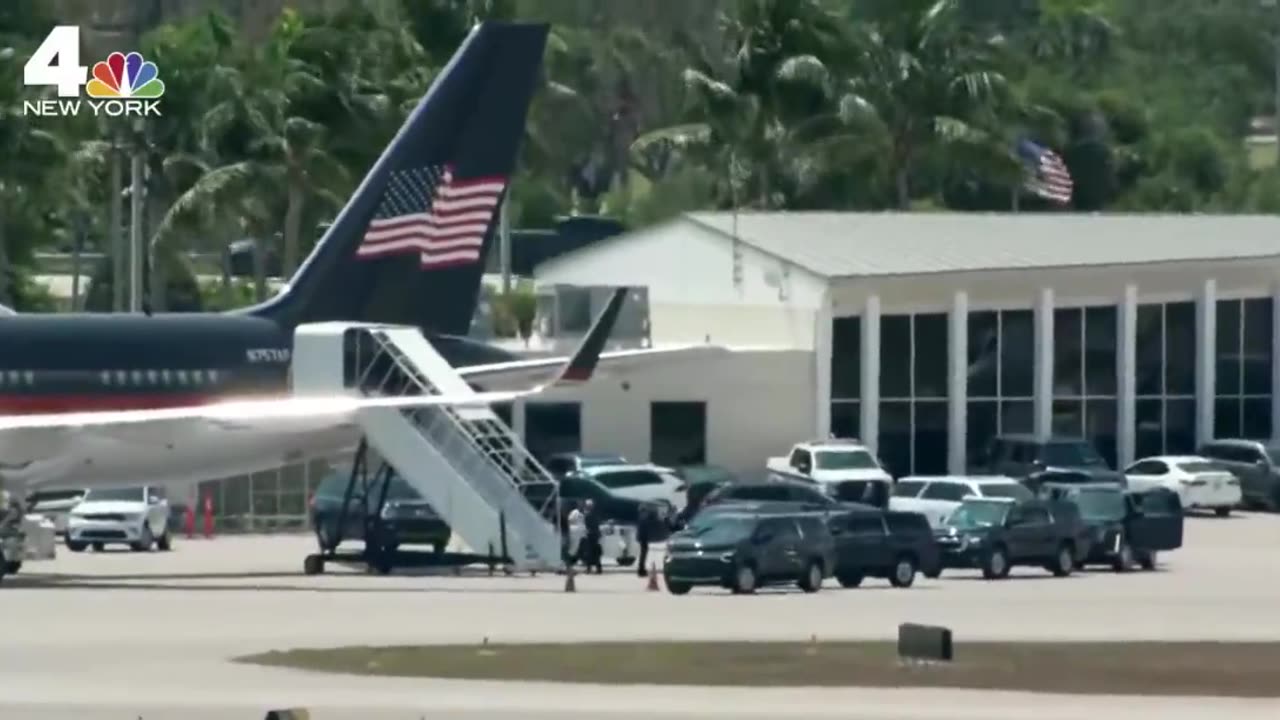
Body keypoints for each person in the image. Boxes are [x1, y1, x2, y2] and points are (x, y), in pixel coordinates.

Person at [582, 499, 603, 574]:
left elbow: (586, 525)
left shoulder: (588, 515)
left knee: (589, 552)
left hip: (590, 535)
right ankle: (599, 568)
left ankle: (588, 569)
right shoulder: (595, 514)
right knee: (596, 552)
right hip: (596, 534)